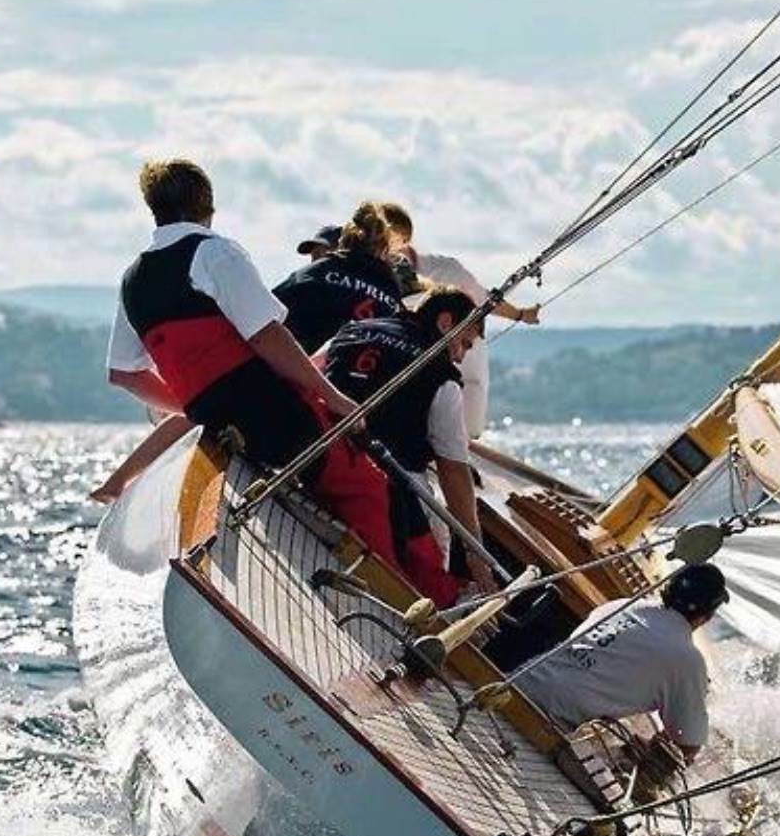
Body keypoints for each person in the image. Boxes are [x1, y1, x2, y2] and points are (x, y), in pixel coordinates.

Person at [104, 158, 400, 564]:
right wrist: (335, 398)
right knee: (364, 487)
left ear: (153, 208)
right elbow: (267, 335)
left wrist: (194, 405)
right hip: (271, 411)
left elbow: (124, 373)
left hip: (214, 419)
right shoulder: (214, 252)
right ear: (208, 205)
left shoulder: (132, 279)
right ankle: (386, 585)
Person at [319, 283, 498, 604]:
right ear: (445, 322)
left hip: (319, 453)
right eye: (464, 343)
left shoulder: (351, 331)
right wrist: (476, 554)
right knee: (438, 531)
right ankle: (431, 603)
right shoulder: (443, 379)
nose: (459, 356)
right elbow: (453, 470)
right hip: (387, 480)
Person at [513, 564, 728, 759]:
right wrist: (648, 748)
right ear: (706, 617)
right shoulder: (687, 660)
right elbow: (687, 745)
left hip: (516, 685)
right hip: (552, 726)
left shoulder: (621, 605)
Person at [379, 202, 541, 442]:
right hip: (404, 358)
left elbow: (483, 299)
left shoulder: (446, 269)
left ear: (404, 238)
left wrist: (520, 314)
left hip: (455, 344)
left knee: (468, 418)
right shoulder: (367, 274)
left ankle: (464, 438)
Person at [270, 202, 409, 355]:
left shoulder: (315, 274)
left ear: (341, 243)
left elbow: (263, 319)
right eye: (314, 254)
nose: (316, 258)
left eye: (321, 252)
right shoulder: (394, 299)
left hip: (295, 362)